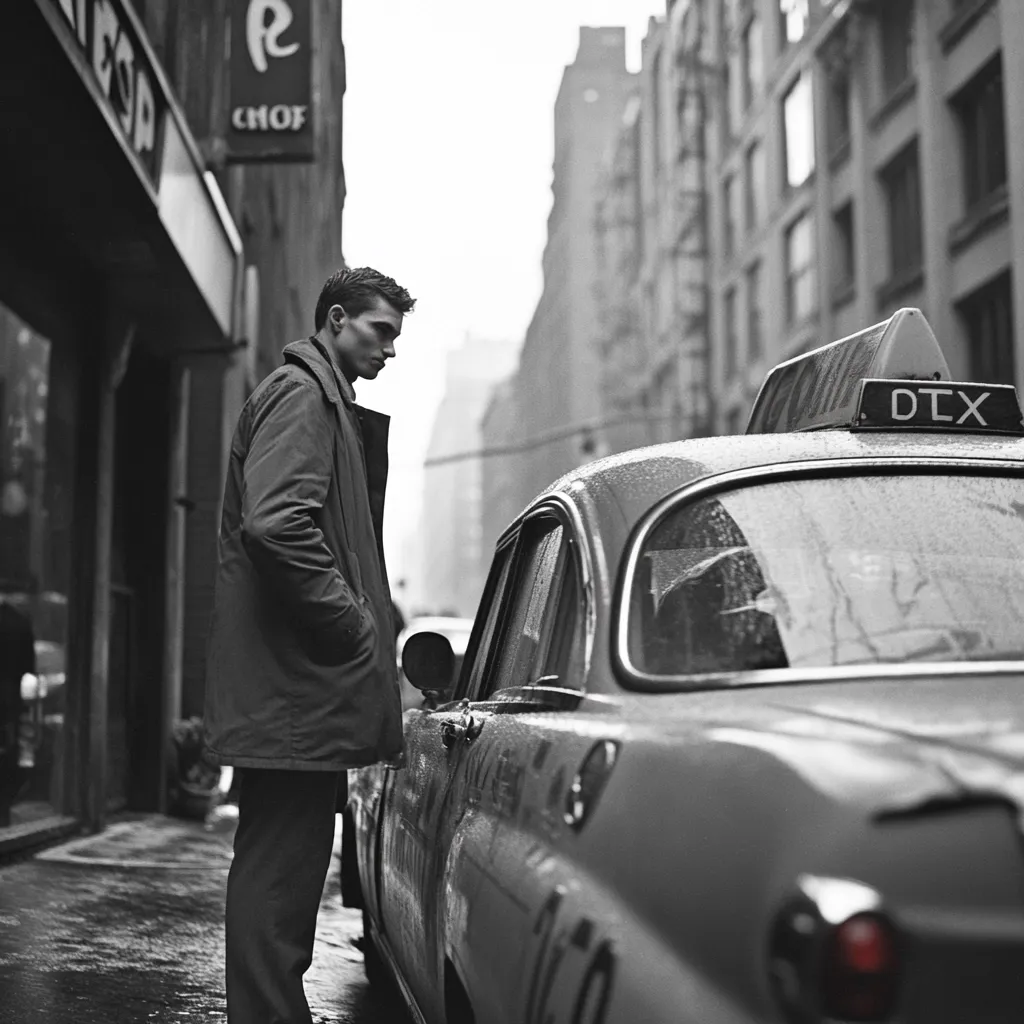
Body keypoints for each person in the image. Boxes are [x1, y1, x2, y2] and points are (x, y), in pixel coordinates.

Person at [204, 266, 416, 1024]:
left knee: (284, 882)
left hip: (298, 686)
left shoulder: (324, 400)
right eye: (379, 330)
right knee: (276, 881)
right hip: (295, 686)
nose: (390, 349)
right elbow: (277, 525)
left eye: (395, 334)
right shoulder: (303, 396)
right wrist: (351, 621)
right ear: (335, 319)